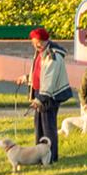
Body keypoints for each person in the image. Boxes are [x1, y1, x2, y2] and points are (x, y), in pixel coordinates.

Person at [17, 27, 74, 162]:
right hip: (41, 92)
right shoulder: (40, 52)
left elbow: (49, 79)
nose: (33, 44)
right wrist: (26, 78)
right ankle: (39, 155)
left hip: (50, 95)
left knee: (48, 127)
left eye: (34, 41)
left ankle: (51, 157)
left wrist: (40, 99)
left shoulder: (52, 56)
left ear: (41, 41)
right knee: (39, 126)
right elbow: (38, 72)